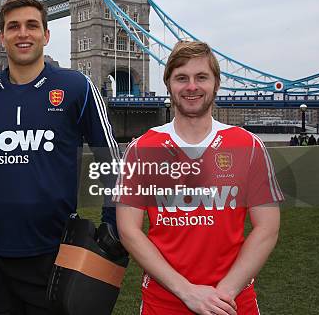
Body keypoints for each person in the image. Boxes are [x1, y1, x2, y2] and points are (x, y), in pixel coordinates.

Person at [0, 0, 121, 314]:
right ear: (2, 36)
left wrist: (111, 231)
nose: (23, 33)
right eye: (13, 27)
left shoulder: (77, 87)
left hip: (54, 254)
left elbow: (111, 164)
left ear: (46, 35)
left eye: (32, 25)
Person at [116, 41, 283, 315]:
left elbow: (267, 229)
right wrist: (187, 291)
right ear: (168, 84)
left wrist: (224, 293)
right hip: (165, 302)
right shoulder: (141, 149)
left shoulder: (248, 146)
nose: (191, 86)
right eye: (181, 78)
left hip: (232, 302)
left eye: (201, 77)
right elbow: (129, 231)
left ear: (216, 83)